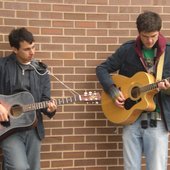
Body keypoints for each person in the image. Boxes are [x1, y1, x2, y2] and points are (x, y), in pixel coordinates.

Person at [96, 11, 170, 170]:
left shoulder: (169, 52)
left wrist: (167, 89)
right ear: (138, 33)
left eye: (153, 36)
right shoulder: (127, 50)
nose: (149, 40)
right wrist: (113, 91)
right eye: (145, 36)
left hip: (157, 121)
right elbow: (102, 69)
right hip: (130, 119)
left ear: (159, 32)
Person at [0, 27, 57, 170]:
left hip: (33, 127)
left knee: (33, 167)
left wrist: (50, 109)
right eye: (26, 49)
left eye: (33, 47)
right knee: (19, 167)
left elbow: (45, 99)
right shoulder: (2, 66)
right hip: (8, 128)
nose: (32, 52)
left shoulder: (41, 70)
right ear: (14, 49)